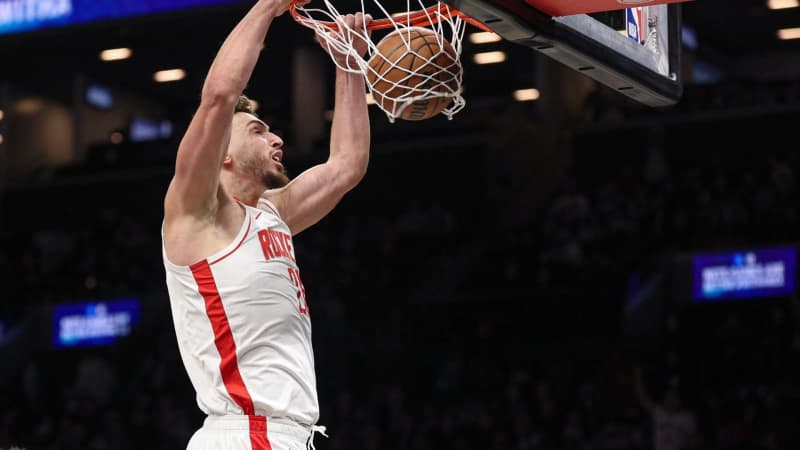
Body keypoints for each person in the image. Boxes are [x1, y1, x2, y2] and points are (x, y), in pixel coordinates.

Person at [160, 0, 372, 448]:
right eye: (258, 130)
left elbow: (347, 165)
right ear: (223, 153)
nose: (277, 138)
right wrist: (268, 6)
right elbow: (219, 96)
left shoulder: (273, 213)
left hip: (285, 435)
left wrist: (348, 61)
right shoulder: (197, 212)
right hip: (244, 432)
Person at [635, 367, 698, 450]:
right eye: (669, 397)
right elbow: (642, 396)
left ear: (679, 400)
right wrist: (637, 375)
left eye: (674, 397)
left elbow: (695, 441)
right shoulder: (659, 412)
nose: (671, 400)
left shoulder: (687, 417)